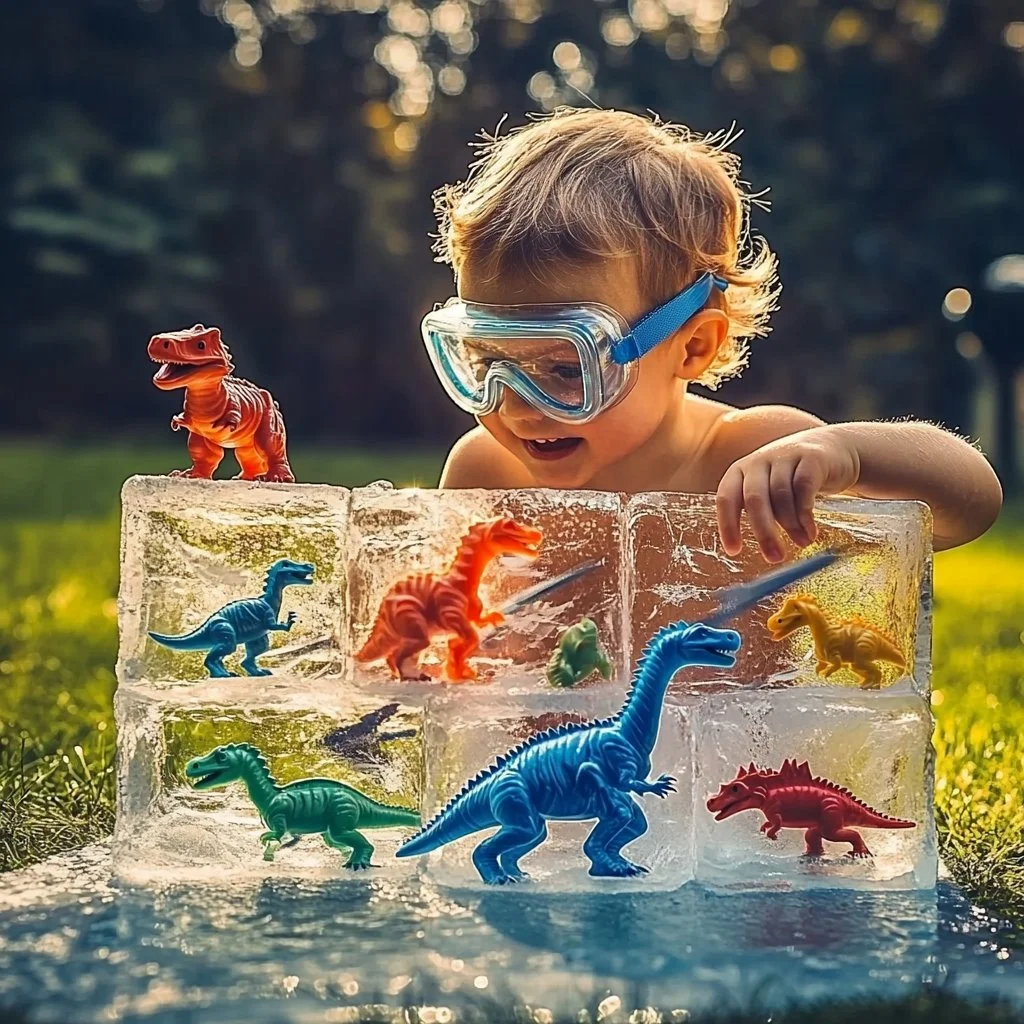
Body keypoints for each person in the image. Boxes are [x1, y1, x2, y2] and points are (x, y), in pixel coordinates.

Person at [425, 108, 1002, 560]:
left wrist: (844, 453)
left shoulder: (753, 460)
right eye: (486, 361)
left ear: (693, 345)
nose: (518, 407)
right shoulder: (486, 475)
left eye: (565, 368)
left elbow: (971, 504)